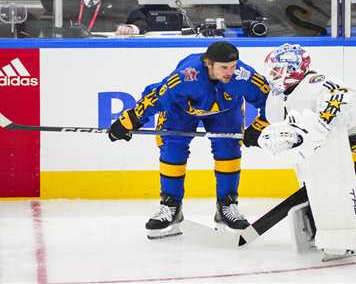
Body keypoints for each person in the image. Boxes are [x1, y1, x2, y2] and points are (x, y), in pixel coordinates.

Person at [108, 41, 270, 239]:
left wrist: (260, 125)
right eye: (224, 67)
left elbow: (272, 100)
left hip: (225, 111)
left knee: (229, 149)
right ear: (208, 63)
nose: (230, 72)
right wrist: (130, 119)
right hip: (181, 110)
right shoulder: (186, 76)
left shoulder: (244, 75)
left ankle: (227, 206)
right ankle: (171, 207)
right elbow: (156, 96)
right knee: (172, 148)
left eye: (233, 66)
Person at [248, 43, 356, 228]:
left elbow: (344, 97)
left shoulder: (316, 82)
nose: (274, 75)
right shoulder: (275, 99)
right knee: (323, 181)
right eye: (272, 71)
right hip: (329, 148)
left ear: (295, 69)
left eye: (278, 70)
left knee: (339, 173)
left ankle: (347, 223)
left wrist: (319, 125)